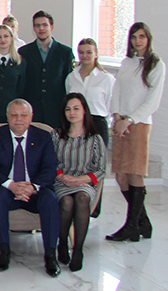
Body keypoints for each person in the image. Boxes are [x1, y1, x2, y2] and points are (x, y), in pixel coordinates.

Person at [0, 99, 60, 276]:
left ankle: (50, 254)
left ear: (31, 117)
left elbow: (50, 168)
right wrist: (11, 185)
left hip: (35, 190)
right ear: (7, 116)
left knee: (50, 199)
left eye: (23, 115)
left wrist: (33, 187)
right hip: (8, 190)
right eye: (14, 115)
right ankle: (4, 251)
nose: (18, 119)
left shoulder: (43, 137)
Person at [106, 22, 164, 242]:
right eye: (134, 37)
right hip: (121, 122)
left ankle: (131, 226)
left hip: (139, 124)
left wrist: (130, 120)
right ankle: (143, 222)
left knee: (134, 173)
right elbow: (118, 90)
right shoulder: (127, 62)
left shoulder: (156, 64)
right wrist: (116, 116)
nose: (138, 41)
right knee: (121, 176)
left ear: (148, 39)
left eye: (142, 37)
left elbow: (153, 101)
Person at [53, 93, 106, 271]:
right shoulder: (56, 135)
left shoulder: (95, 138)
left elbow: (100, 169)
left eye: (76, 108)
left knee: (82, 198)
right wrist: (63, 177)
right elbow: (50, 163)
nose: (72, 113)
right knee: (67, 202)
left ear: (84, 111)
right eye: (68, 109)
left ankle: (78, 250)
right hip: (61, 182)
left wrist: (78, 180)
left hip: (84, 183)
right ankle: (62, 242)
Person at [19, 11, 75, 128]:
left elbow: (70, 82)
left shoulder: (65, 52)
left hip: (56, 110)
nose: (41, 28)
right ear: (34, 28)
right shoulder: (24, 52)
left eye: (45, 25)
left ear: (52, 27)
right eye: (37, 25)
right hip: (32, 110)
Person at [65, 38, 114, 144]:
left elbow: (111, 105)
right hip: (76, 124)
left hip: (97, 125)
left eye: (89, 52)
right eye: (81, 52)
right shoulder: (71, 78)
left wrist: (109, 125)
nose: (85, 55)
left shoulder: (106, 79)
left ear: (96, 54)